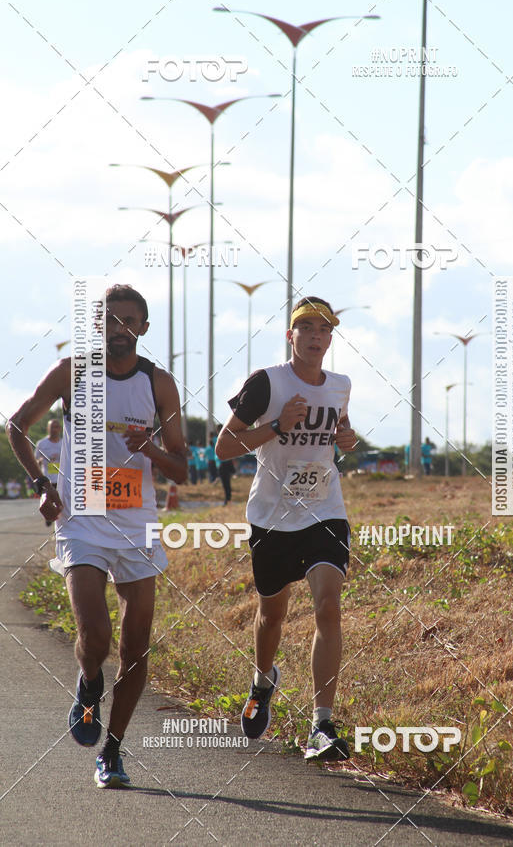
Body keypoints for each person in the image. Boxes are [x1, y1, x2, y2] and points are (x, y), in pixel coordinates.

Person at [6, 284, 187, 789]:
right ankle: (89, 684)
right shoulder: (72, 372)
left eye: (129, 321)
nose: (119, 329)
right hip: (81, 521)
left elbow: (184, 468)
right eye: (110, 320)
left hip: (137, 525)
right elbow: (17, 426)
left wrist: (151, 449)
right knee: (97, 637)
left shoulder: (160, 385)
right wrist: (42, 485)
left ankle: (113, 750)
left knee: (136, 648)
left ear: (143, 328)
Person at [216, 296, 356, 761]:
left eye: (324, 328)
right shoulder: (266, 383)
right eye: (307, 327)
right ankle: (262, 680)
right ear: (291, 336)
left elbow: (341, 433)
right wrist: (277, 424)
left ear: (331, 339)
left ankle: (322, 725)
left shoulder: (340, 386)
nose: (317, 335)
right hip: (272, 517)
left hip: (324, 510)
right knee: (272, 616)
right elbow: (223, 447)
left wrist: (347, 440)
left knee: (328, 606)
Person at [34, 418, 63, 487]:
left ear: (60, 429)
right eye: (52, 427)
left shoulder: (65, 443)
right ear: (48, 429)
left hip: (62, 480)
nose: (54, 430)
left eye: (56, 427)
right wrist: (40, 461)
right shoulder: (41, 443)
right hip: (47, 480)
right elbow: (35, 461)